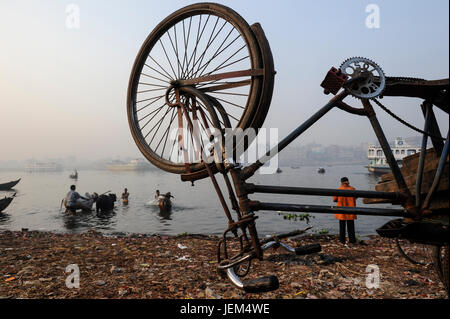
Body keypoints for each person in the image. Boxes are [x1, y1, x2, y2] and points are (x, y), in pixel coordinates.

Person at [333, 177, 357, 245]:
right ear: (348, 181)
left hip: (342, 211)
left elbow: (335, 199)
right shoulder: (353, 189)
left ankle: (342, 241)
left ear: (341, 182)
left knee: (342, 227)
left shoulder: (338, 189)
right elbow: (355, 197)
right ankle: (352, 241)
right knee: (351, 227)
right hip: (351, 211)